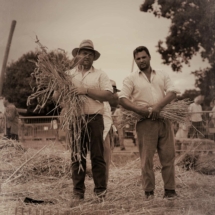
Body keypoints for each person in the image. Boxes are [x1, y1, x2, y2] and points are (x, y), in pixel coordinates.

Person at [119, 46, 179, 199]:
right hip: (145, 122)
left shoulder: (162, 74)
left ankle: (170, 191)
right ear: (135, 60)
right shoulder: (131, 78)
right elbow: (122, 99)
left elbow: (172, 92)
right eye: (138, 58)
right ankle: (149, 192)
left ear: (149, 57)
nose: (141, 60)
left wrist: (158, 106)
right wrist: (140, 110)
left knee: (168, 156)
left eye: (144, 57)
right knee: (146, 159)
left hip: (164, 119)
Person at [67, 40, 113, 204]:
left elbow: (108, 95)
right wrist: (57, 87)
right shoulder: (69, 74)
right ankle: (78, 192)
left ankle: (100, 192)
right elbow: (57, 98)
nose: (86, 56)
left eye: (90, 53)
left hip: (95, 118)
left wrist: (85, 90)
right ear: (77, 55)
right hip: (76, 119)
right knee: (77, 156)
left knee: (97, 156)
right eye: (83, 52)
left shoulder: (101, 74)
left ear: (94, 57)